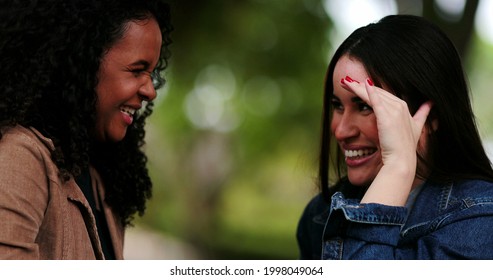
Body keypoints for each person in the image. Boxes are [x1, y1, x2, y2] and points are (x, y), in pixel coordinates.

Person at [297, 14, 493, 259]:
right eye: (337, 105)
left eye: (365, 106)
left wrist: (398, 165)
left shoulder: (481, 220)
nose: (341, 130)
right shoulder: (320, 215)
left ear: (431, 117)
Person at [0, 0, 172, 259]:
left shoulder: (99, 177)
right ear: (83, 62)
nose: (150, 91)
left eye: (152, 73)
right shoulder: (21, 158)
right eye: (137, 70)